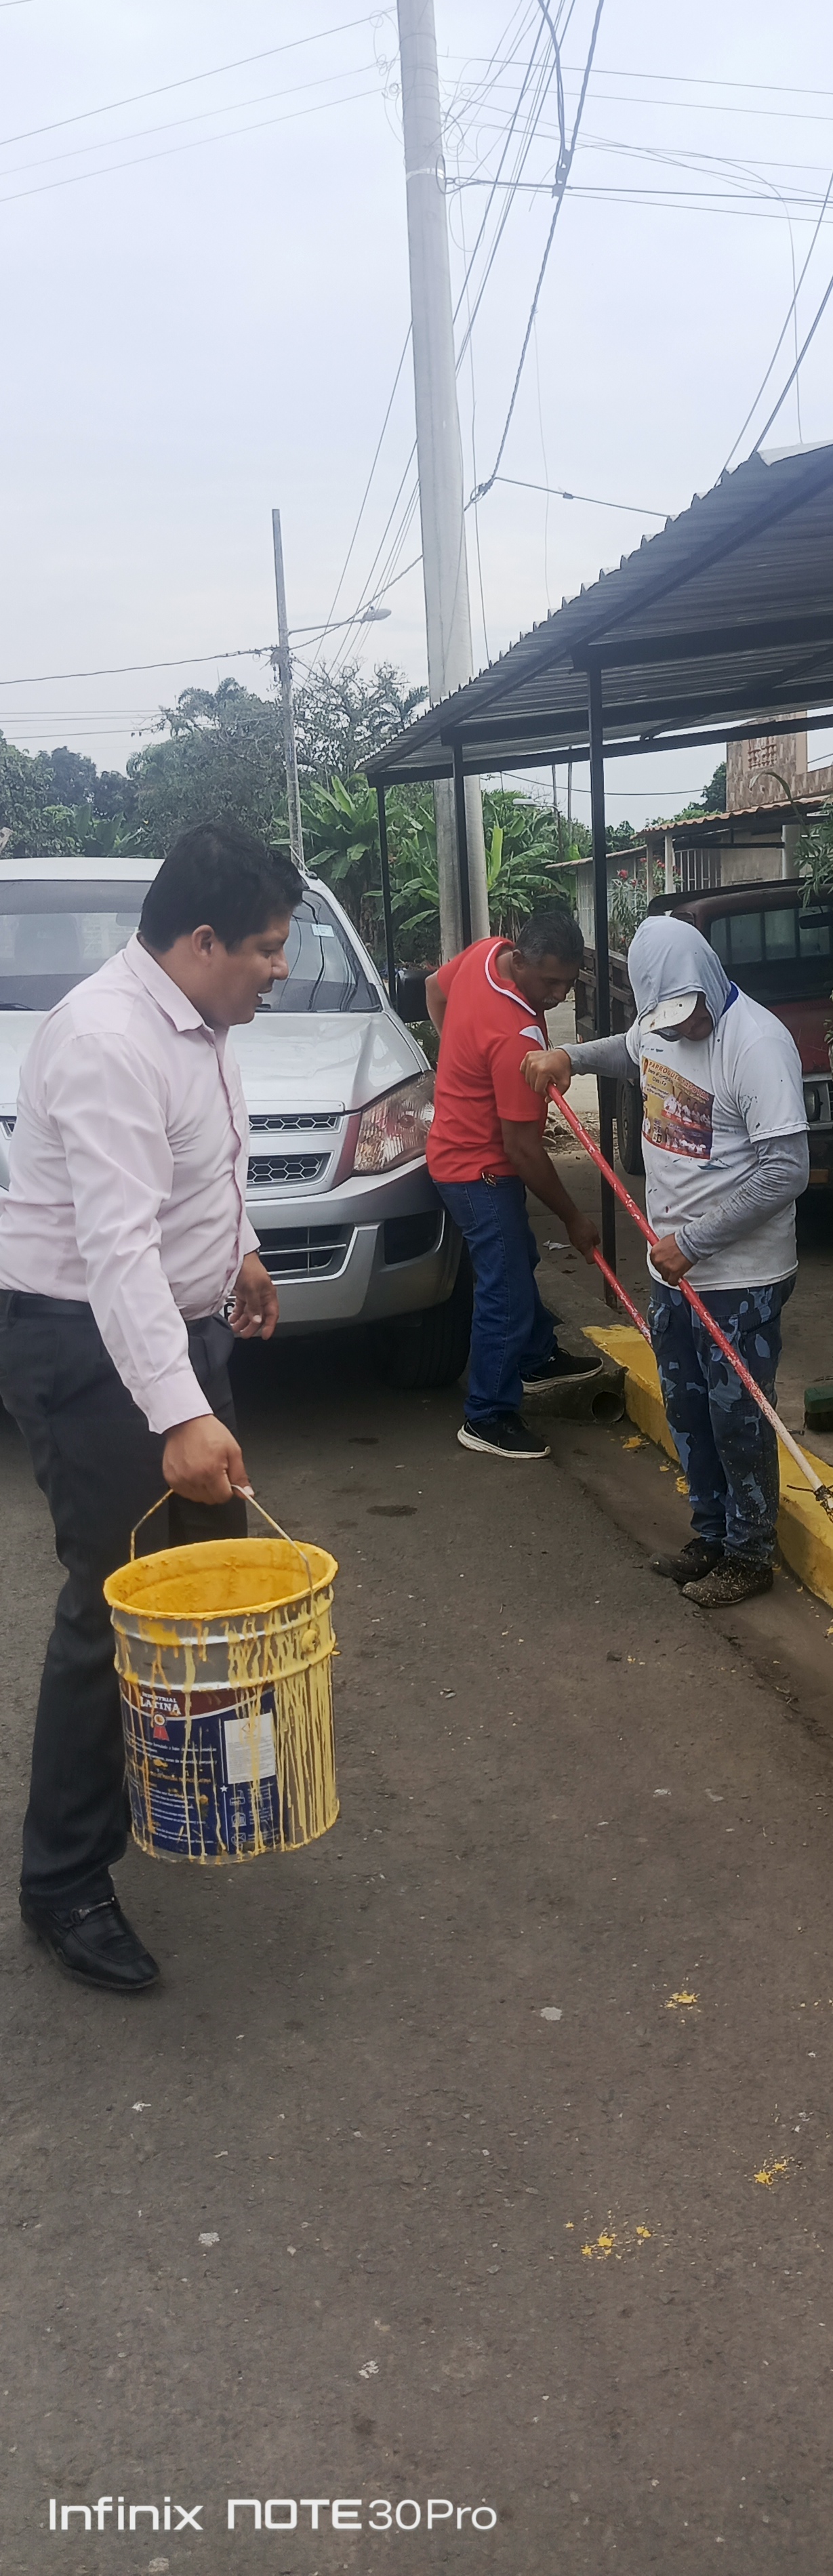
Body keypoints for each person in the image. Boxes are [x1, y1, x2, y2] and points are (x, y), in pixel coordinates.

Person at [0, 825, 302, 1992]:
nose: (279, 968)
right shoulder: (106, 1041)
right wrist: (178, 1417)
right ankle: (65, 1882)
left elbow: (201, 1169)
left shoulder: (202, 1022)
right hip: (82, 1343)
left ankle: (179, 1777)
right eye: (266, 948)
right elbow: (116, 1248)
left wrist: (242, 1250)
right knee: (114, 1601)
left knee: (205, 1567)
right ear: (202, 940)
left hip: (175, 1325)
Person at [523, 912, 809, 1606]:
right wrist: (571, 1058)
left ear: (710, 978)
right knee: (689, 1411)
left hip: (740, 1277)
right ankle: (711, 1536)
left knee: (738, 1418)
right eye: (671, 1020)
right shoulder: (661, 1025)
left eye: (693, 1014)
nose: (686, 1029)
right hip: (672, 1270)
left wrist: (696, 1242)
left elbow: (786, 1170)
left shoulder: (757, 1044)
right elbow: (632, 1051)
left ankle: (750, 1555)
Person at [426, 903, 602, 1462]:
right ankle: (488, 1415)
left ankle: (535, 1356)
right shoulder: (518, 1039)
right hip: (478, 1171)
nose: (559, 995)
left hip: (459, 1154)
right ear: (521, 960)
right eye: (550, 982)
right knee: (504, 1289)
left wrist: (457, 1063)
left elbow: (433, 989)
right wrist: (573, 1217)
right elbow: (523, 1150)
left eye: (568, 983)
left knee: (518, 1258)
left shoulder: (486, 953)